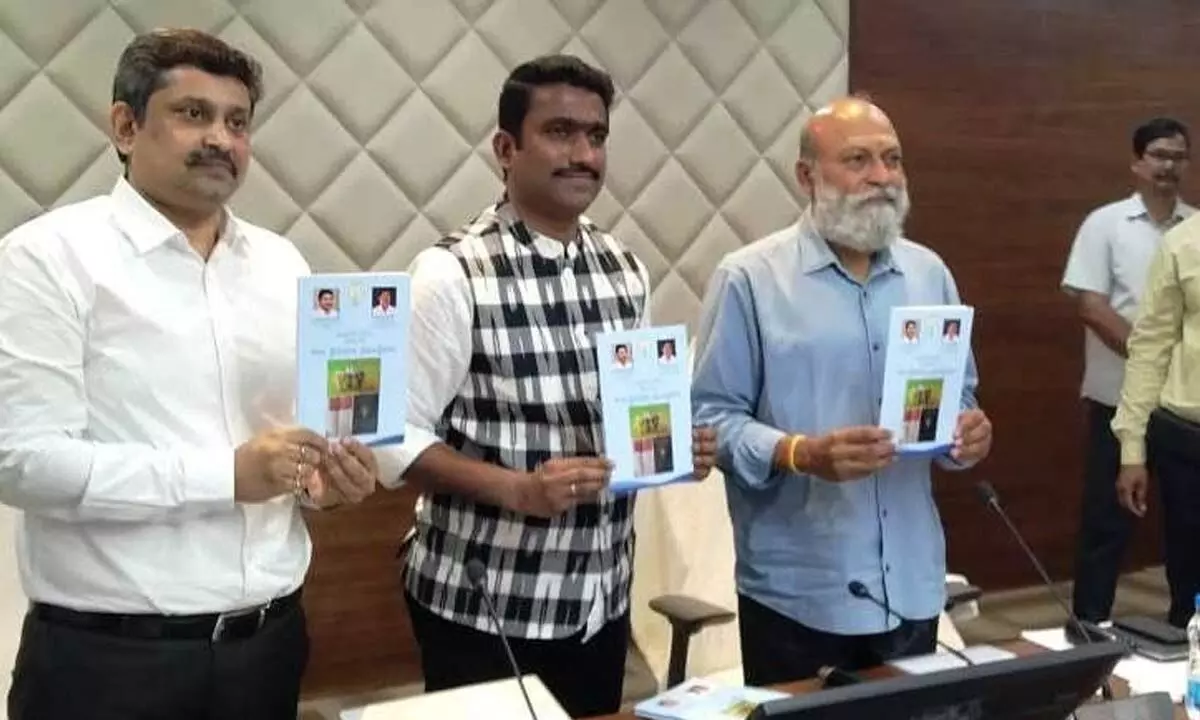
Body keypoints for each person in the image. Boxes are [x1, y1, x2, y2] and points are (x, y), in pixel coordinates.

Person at [0, 29, 380, 720]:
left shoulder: (281, 264)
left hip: (269, 646)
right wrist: (227, 476)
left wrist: (325, 484)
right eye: (193, 114)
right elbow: (22, 463)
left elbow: (290, 451)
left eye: (237, 122)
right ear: (125, 125)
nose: (222, 139)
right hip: (109, 666)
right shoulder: (47, 259)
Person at [391, 54, 717, 718]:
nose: (583, 154)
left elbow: (630, 421)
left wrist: (674, 450)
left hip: (598, 600)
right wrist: (516, 489)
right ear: (506, 149)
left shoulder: (624, 267)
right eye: (560, 132)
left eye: (596, 136)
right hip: (485, 604)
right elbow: (392, 440)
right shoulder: (451, 273)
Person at [692, 96, 993, 685]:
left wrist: (967, 429)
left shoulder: (929, 273)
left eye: (892, 159)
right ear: (808, 176)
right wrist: (801, 453)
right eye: (857, 160)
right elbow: (710, 419)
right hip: (802, 590)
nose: (881, 177)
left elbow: (959, 394)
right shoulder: (750, 278)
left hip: (911, 582)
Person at [1061, 117, 1194, 624]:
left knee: (1188, 524)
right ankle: (1089, 625)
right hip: (1117, 399)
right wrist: (1151, 359)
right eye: (1159, 155)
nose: (1168, 166)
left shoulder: (1194, 227)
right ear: (1137, 162)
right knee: (1107, 520)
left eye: (1178, 157)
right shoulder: (1105, 224)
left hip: (1182, 410)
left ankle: (1188, 626)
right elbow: (1092, 307)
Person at [1112, 186, 1200, 628]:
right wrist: (1132, 450)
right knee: (1191, 594)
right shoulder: (1184, 244)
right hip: (1190, 445)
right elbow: (1149, 349)